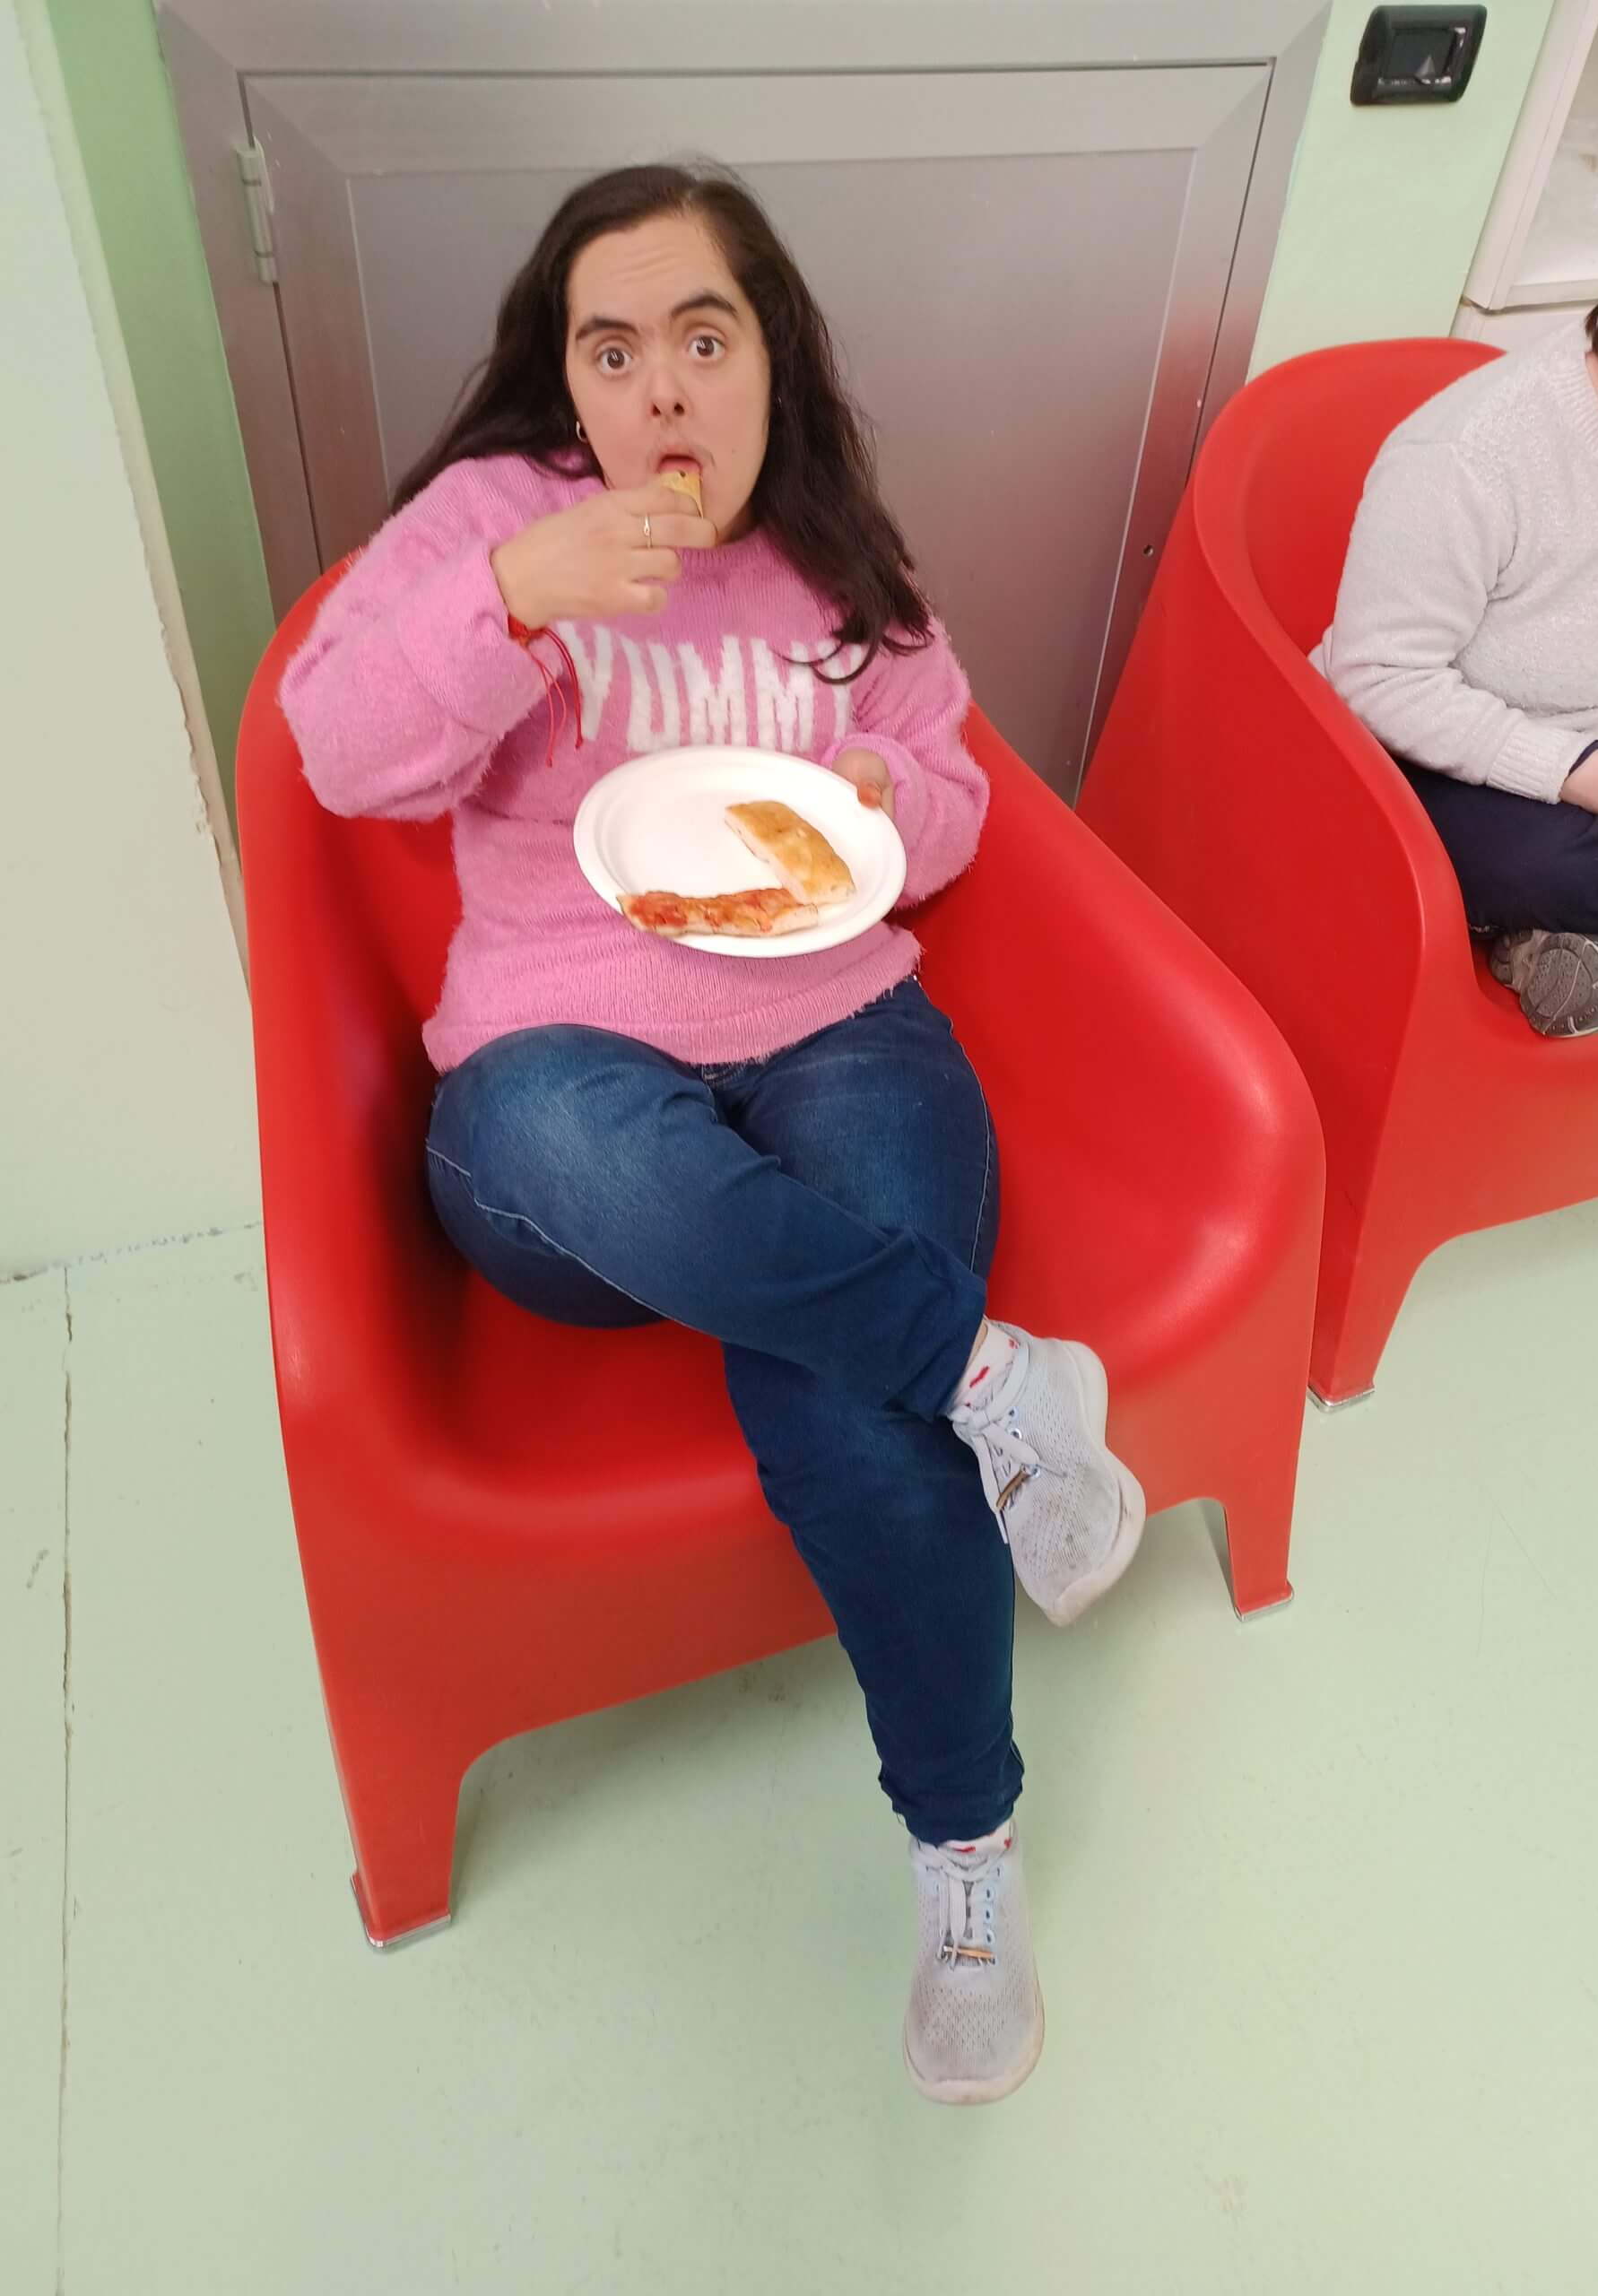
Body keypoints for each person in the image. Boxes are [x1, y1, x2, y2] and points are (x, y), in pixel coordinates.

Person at [282, 163, 1147, 2106]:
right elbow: (339, 751)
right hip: (565, 1087)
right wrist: (518, 598)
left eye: (702, 336)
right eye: (614, 351)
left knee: (850, 1398)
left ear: (773, 360)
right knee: (570, 1142)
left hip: (836, 1020)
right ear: (568, 383)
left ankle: (966, 1849)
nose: (662, 387)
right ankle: (997, 1374)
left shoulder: (841, 553)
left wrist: (882, 803)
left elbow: (950, 795)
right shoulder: (497, 522)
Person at [1316, 144, 1598, 1039]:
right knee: (1576, 866)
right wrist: (1570, 772)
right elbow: (1378, 677)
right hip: (1430, 761)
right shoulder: (1475, 452)